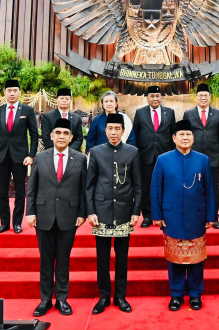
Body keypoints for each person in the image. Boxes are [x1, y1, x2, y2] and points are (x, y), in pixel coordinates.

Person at [151, 120, 217, 312]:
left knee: (196, 258)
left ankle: (196, 294)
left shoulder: (203, 160)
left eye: (188, 134)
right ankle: (176, 294)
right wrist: (156, 214)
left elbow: (210, 190)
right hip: (172, 215)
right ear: (174, 138)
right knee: (175, 257)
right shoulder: (163, 159)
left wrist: (211, 215)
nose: (185, 138)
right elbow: (156, 188)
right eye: (181, 135)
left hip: (197, 214)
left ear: (193, 137)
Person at [26, 118, 87, 316]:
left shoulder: (79, 158)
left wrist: (81, 213)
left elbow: (83, 189)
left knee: (63, 260)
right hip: (43, 216)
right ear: (51, 136)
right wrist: (31, 212)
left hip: (69, 217)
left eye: (65, 133)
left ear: (71, 137)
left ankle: (61, 299)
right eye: (57, 133)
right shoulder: (40, 157)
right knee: (45, 260)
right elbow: (32, 188)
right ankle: (45, 300)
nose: (61, 136)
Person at [85, 113, 141, 315]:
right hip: (101, 212)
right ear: (105, 131)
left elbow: (137, 185)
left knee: (122, 257)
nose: (114, 133)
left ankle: (120, 296)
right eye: (110, 129)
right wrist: (90, 211)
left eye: (118, 129)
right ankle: (104, 296)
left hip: (125, 211)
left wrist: (136, 211)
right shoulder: (97, 152)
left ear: (123, 131)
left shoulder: (132, 152)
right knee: (102, 257)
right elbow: (89, 185)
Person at [0, 79, 38, 234]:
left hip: (20, 157)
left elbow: (34, 135)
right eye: (9, 90)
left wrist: (31, 156)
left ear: (19, 92)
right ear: (5, 93)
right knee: (2, 192)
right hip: (1, 157)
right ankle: (4, 223)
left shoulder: (27, 111)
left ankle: (17, 223)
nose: (12, 93)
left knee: (20, 192)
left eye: (15, 90)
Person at [183, 83, 219, 229]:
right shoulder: (188, 114)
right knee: (194, 188)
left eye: (206, 96)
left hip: (213, 158)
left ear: (209, 98)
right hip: (193, 158)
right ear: (196, 98)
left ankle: (214, 217)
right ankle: (195, 216)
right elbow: (185, 135)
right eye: (200, 96)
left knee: (213, 190)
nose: (203, 98)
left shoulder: (217, 113)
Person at [132, 85, 176, 228]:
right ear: (147, 98)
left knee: (164, 186)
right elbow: (136, 135)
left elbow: (173, 136)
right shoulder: (140, 113)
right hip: (146, 156)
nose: (155, 98)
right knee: (147, 187)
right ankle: (148, 216)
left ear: (161, 97)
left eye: (157, 96)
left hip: (165, 157)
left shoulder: (169, 113)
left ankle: (164, 215)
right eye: (152, 96)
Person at [40, 88, 83, 152]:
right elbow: (46, 137)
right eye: (61, 98)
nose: (64, 101)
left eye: (67, 99)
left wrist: (68, 151)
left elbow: (79, 139)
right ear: (57, 100)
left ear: (70, 100)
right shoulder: (48, 116)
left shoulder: (77, 118)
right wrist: (58, 150)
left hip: (72, 154)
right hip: (52, 153)